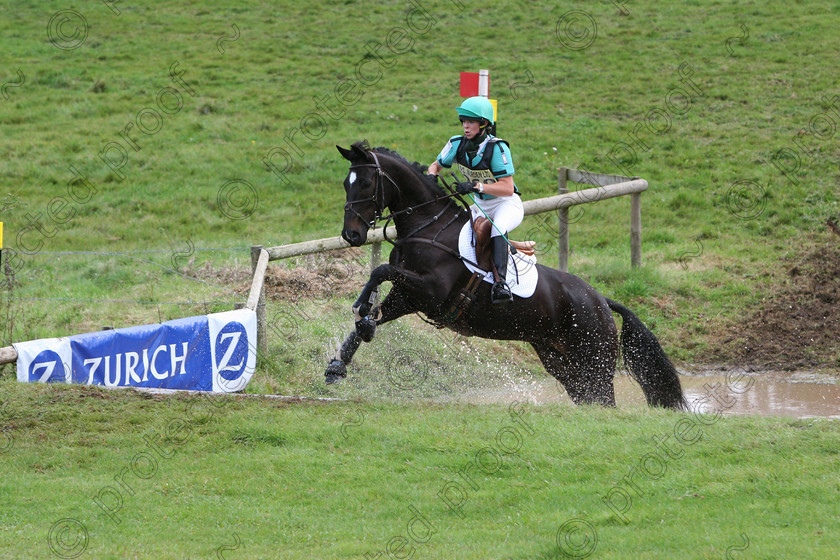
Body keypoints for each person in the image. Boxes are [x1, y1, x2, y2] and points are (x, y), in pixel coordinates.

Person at [427, 96, 524, 304]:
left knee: (498, 227)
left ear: (484, 124)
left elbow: (507, 188)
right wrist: (431, 179)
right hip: (480, 205)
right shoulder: (456, 144)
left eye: (470, 122)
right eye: (463, 121)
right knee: (456, 229)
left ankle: (501, 284)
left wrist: (476, 186)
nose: (465, 126)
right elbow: (435, 166)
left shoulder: (497, 148)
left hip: (505, 204)